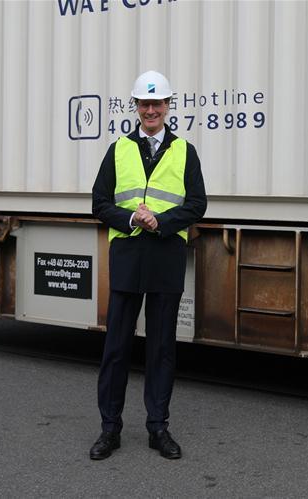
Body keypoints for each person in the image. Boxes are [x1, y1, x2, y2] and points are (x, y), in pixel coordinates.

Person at [89, 70, 207, 460]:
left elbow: (197, 204)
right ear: (136, 107)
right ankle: (110, 429)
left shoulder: (185, 151)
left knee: (161, 350)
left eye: (158, 103)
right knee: (116, 348)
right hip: (127, 258)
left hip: (165, 258)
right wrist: (130, 220)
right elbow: (99, 203)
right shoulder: (118, 149)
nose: (151, 110)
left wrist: (162, 222)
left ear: (168, 106)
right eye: (145, 103)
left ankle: (158, 427)